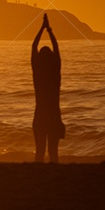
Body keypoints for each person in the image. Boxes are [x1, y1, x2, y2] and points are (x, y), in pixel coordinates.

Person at [31, 13, 64, 163]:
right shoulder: (55, 73)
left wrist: (42, 28)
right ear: (52, 59)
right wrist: (49, 31)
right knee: (53, 153)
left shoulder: (38, 73)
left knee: (39, 153)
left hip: (40, 116)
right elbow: (56, 48)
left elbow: (33, 46)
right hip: (54, 116)